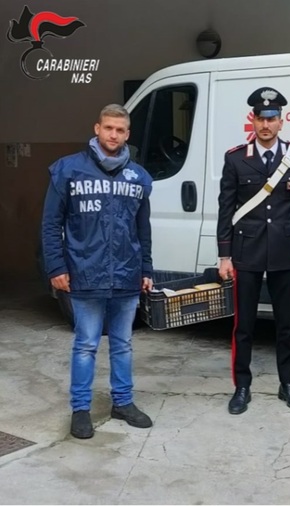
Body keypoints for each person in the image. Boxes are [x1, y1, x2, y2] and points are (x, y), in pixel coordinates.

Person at [42, 104, 154, 439]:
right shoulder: (68, 171)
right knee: (86, 344)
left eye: (120, 130)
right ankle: (80, 410)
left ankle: (123, 402)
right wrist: (56, 266)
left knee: (123, 344)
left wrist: (146, 268)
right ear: (97, 129)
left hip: (126, 275)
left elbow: (143, 229)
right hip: (84, 273)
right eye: (108, 128)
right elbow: (50, 224)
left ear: (127, 134)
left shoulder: (139, 177)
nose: (113, 135)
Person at [217, 87, 290, 415]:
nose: (265, 124)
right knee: (243, 324)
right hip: (246, 251)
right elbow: (225, 208)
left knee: (286, 324)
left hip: (285, 251)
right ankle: (242, 386)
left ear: (281, 121)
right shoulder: (235, 158)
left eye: (271, 118)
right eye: (260, 118)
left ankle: (287, 384)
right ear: (253, 121)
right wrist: (224, 255)